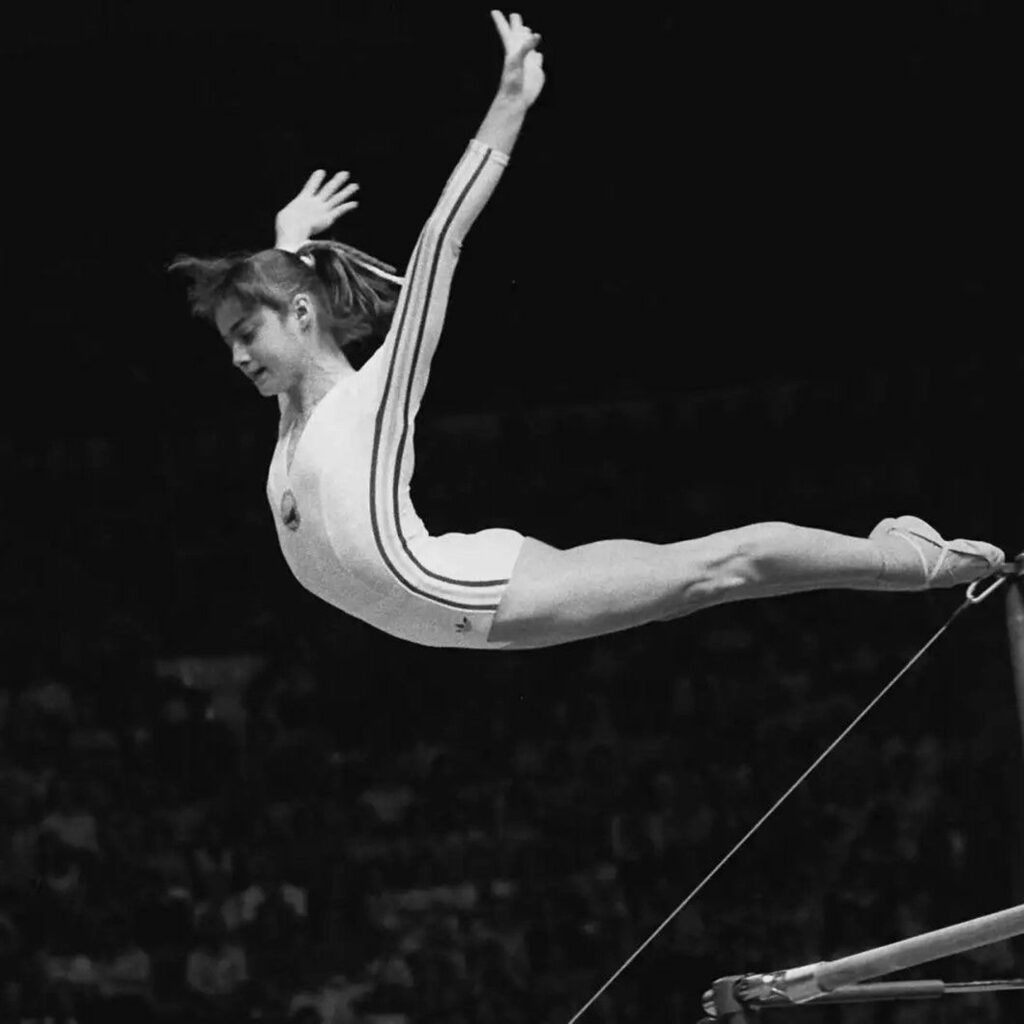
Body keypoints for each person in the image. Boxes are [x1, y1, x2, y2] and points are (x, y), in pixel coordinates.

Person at [169, 11, 1004, 652]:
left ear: (301, 316)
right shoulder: (295, 406)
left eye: (247, 333)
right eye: (229, 340)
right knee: (703, 576)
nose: (237, 357)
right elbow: (289, 309)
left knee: (719, 569)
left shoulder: (371, 400)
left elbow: (441, 238)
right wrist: (286, 241)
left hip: (479, 599)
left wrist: (507, 105)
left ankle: (913, 562)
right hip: (464, 580)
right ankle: (897, 557)